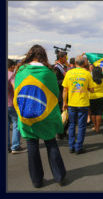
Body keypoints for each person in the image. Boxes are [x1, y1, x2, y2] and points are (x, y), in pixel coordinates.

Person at [13, 44, 66, 188]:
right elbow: (55, 94)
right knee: (51, 143)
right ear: (43, 56)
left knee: (32, 146)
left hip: (26, 114)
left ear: (29, 55)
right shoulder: (48, 72)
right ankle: (59, 176)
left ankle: (36, 181)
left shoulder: (21, 70)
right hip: (45, 113)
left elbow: (17, 92)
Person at [62, 55, 95, 154]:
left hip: (72, 103)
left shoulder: (69, 73)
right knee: (81, 126)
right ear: (84, 63)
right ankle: (78, 147)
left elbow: (65, 89)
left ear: (75, 63)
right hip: (83, 103)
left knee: (72, 124)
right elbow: (92, 89)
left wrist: (64, 102)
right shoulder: (87, 73)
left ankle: (71, 146)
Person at [7, 59, 27, 154]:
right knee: (16, 124)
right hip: (12, 104)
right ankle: (15, 146)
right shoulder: (11, 75)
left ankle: (7, 146)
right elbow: (15, 87)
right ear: (11, 66)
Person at [53, 51, 68, 140]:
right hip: (60, 94)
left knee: (65, 114)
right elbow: (56, 82)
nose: (66, 59)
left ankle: (63, 131)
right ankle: (60, 132)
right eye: (65, 57)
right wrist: (66, 82)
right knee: (61, 114)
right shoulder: (56, 68)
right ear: (61, 58)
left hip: (64, 93)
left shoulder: (64, 67)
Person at [89, 66, 103, 133]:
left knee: (93, 113)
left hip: (92, 97)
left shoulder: (91, 79)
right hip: (102, 97)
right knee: (99, 112)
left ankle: (95, 126)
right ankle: (98, 127)